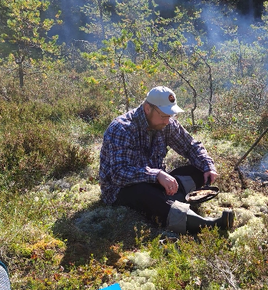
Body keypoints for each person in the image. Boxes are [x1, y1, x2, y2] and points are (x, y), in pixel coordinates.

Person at [99, 86, 234, 234]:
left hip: (156, 183)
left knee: (199, 169)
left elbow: (190, 146)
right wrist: (157, 175)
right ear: (147, 108)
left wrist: (208, 166)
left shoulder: (166, 124)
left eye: (170, 116)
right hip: (122, 189)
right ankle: (206, 225)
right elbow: (119, 174)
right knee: (145, 193)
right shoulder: (122, 129)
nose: (168, 121)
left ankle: (169, 201)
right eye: (164, 116)